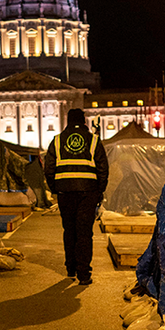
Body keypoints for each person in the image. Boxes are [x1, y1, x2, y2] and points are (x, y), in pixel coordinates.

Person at [44, 108, 109, 285]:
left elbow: (49, 168)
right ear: (84, 121)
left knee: (70, 230)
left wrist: (55, 188)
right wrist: (99, 190)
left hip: (65, 192)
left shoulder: (57, 141)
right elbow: (103, 168)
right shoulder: (93, 140)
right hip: (88, 192)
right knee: (84, 233)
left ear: (68, 121)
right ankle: (84, 274)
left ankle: (70, 268)